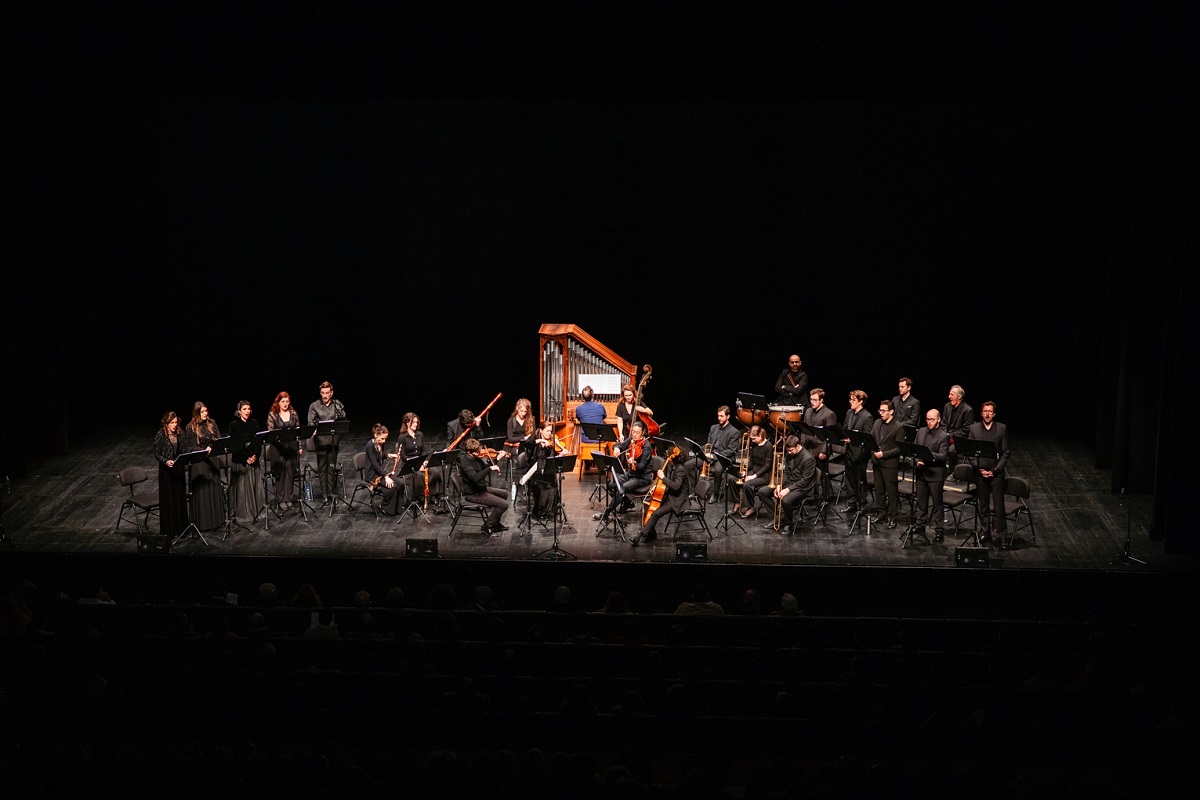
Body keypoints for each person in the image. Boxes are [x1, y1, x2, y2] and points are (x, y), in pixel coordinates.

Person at [593, 420, 654, 523]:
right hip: (631, 474)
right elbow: (619, 445)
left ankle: (607, 512)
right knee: (611, 484)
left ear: (642, 432)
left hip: (642, 477)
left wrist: (633, 463)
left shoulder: (646, 447)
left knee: (623, 487)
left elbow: (642, 467)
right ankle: (627, 502)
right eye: (633, 432)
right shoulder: (632, 440)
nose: (634, 435)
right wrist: (616, 448)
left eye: (637, 432)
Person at [968, 401, 1011, 545]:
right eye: (985, 411)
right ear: (981, 413)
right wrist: (978, 468)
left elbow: (1005, 452)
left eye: (990, 411)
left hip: (996, 474)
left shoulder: (1001, 428)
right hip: (980, 473)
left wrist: (996, 469)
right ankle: (985, 533)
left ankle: (1002, 536)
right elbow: (970, 452)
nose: (987, 414)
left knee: (999, 506)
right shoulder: (974, 429)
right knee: (983, 505)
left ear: (994, 414)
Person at [631, 447, 693, 546]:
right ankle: (651, 533)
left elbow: (676, 486)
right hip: (671, 496)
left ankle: (640, 535)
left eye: (669, 456)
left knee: (656, 513)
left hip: (678, 500)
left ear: (674, 458)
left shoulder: (680, 469)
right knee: (648, 504)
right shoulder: (674, 467)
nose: (667, 457)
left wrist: (663, 477)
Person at [756, 435, 817, 535]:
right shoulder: (789, 454)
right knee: (763, 492)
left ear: (798, 446)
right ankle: (776, 517)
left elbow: (805, 481)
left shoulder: (808, 458)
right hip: (789, 483)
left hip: (803, 488)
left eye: (791, 450)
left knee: (786, 500)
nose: (789, 452)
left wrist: (787, 489)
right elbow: (786, 473)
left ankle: (788, 523)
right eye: (788, 450)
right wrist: (780, 485)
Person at [182, 401, 225, 530]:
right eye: (202, 412)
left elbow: (218, 439)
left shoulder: (212, 423)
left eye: (206, 411)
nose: (205, 414)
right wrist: (202, 450)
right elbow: (189, 447)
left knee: (214, 490)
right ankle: (204, 524)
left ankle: (217, 522)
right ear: (196, 413)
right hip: (199, 463)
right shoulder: (190, 427)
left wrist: (212, 447)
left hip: (212, 461)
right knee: (203, 493)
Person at [910, 409, 950, 542]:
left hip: (935, 475)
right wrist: (917, 461)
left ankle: (939, 531)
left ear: (938, 420)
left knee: (937, 504)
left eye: (932, 419)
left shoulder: (943, 435)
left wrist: (926, 456)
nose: (929, 422)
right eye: (927, 419)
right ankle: (920, 525)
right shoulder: (921, 431)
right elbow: (915, 449)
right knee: (921, 502)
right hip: (921, 473)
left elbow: (943, 455)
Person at [689, 405, 740, 503]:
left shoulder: (734, 432)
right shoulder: (713, 427)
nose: (719, 418)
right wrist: (700, 449)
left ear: (728, 416)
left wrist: (714, 456)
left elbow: (730, 450)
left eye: (721, 416)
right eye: (718, 416)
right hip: (710, 455)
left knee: (718, 470)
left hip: (722, 457)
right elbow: (709, 443)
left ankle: (715, 494)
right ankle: (696, 489)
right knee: (688, 465)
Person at [459, 438, 510, 535]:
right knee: (503, 505)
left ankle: (495, 523)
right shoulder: (466, 463)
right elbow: (475, 478)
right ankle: (488, 525)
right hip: (473, 493)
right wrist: (490, 468)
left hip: (481, 489)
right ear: (469, 452)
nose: (480, 454)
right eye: (477, 452)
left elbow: (484, 468)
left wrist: (496, 459)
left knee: (504, 494)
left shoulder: (475, 458)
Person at [307, 381, 347, 505]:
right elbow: (311, 423)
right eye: (323, 393)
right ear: (320, 393)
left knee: (331, 467)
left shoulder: (337, 404)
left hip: (334, 441)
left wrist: (340, 412)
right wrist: (315, 429)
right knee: (322, 468)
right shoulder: (314, 405)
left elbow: (343, 419)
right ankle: (324, 494)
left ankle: (331, 492)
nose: (325, 396)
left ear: (331, 393)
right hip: (321, 442)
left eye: (327, 393)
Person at [397, 412, 444, 512]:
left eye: (416, 422)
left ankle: (434, 495)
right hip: (409, 464)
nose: (415, 424)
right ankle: (420, 497)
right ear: (406, 423)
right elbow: (403, 456)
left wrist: (425, 462)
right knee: (419, 475)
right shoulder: (402, 437)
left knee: (435, 471)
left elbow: (424, 451)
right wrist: (417, 464)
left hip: (421, 461)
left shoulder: (420, 434)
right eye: (413, 422)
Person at [870, 398, 906, 529]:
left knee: (891, 492)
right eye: (880, 410)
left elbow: (899, 449)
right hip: (876, 462)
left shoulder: (898, 427)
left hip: (889, 463)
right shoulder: (876, 423)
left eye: (883, 411)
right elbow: (872, 439)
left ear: (891, 411)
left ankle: (892, 517)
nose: (881, 413)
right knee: (879, 490)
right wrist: (873, 454)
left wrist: (883, 454)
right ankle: (881, 513)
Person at [228, 400, 265, 522]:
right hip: (241, 461)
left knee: (256, 486)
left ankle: (258, 510)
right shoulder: (234, 425)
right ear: (239, 411)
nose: (247, 411)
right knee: (244, 488)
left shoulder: (254, 423)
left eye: (248, 409)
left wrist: (255, 455)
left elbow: (258, 441)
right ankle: (246, 513)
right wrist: (246, 458)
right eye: (244, 409)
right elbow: (234, 447)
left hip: (254, 459)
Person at [153, 410, 188, 538]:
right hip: (166, 472)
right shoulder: (160, 435)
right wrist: (166, 461)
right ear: (166, 423)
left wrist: (184, 458)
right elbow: (157, 454)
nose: (174, 425)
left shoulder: (181, 433)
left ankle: (181, 529)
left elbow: (185, 450)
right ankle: (170, 530)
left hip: (178, 470)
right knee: (169, 499)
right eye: (171, 423)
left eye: (175, 422)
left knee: (179, 498)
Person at [266, 391, 302, 511]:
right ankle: (281, 499)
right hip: (278, 449)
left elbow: (298, 432)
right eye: (283, 401)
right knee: (280, 474)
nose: (285, 404)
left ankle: (289, 498)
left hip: (291, 447)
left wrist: (300, 447)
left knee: (290, 473)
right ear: (278, 402)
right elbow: (270, 432)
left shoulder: (293, 413)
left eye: (287, 401)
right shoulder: (273, 415)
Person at [522, 419, 566, 518]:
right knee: (545, 488)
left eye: (551, 431)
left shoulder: (550, 444)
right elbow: (527, 444)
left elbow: (552, 459)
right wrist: (539, 441)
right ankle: (540, 512)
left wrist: (561, 454)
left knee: (553, 486)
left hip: (547, 472)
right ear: (541, 430)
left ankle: (550, 511)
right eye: (547, 431)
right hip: (536, 474)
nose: (549, 433)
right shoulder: (534, 439)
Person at [838, 390, 873, 513]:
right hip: (849, 452)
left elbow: (867, 437)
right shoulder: (849, 412)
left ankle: (862, 504)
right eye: (850, 399)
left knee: (860, 480)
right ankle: (851, 502)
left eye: (853, 400)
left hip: (860, 454)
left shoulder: (867, 416)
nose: (850, 402)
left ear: (861, 401)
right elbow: (846, 428)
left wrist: (852, 439)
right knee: (849, 479)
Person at [801, 388, 838, 497]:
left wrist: (824, 451)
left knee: (822, 476)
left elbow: (830, 435)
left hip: (820, 449)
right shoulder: (808, 411)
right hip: (807, 448)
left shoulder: (829, 414)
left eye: (814, 400)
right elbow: (804, 429)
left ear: (821, 400)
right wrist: (802, 444)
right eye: (811, 399)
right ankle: (811, 495)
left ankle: (824, 497)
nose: (812, 402)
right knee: (807, 473)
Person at [363, 423, 404, 515]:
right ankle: (385, 507)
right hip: (372, 475)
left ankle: (397, 509)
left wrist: (390, 455)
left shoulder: (380, 443)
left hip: (379, 472)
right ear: (375, 435)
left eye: (385, 438)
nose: (384, 441)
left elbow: (381, 454)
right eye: (382, 438)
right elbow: (374, 464)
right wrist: (385, 476)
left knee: (400, 483)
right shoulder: (370, 445)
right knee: (392, 486)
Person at [738, 424, 773, 518]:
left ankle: (750, 507)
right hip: (754, 471)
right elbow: (751, 461)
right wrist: (745, 470)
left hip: (764, 475)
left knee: (747, 484)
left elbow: (767, 466)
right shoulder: (754, 444)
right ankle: (740, 503)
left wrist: (754, 476)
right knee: (737, 478)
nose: (752, 441)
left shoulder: (768, 446)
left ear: (760, 436)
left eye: (754, 439)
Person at [942, 384, 975, 467]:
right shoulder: (947, 406)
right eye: (949, 394)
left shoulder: (968, 410)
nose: (949, 396)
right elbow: (943, 423)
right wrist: (944, 434)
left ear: (959, 396)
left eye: (952, 394)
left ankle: (953, 471)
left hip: (959, 438)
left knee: (951, 450)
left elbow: (966, 429)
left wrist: (950, 435)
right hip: (947, 435)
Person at [504, 397, 536, 472]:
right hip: (514, 445)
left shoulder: (531, 420)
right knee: (520, 454)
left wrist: (526, 440)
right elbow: (510, 438)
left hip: (527, 444)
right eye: (521, 411)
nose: (523, 413)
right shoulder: (511, 421)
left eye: (525, 411)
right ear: (517, 409)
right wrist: (523, 438)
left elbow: (532, 436)